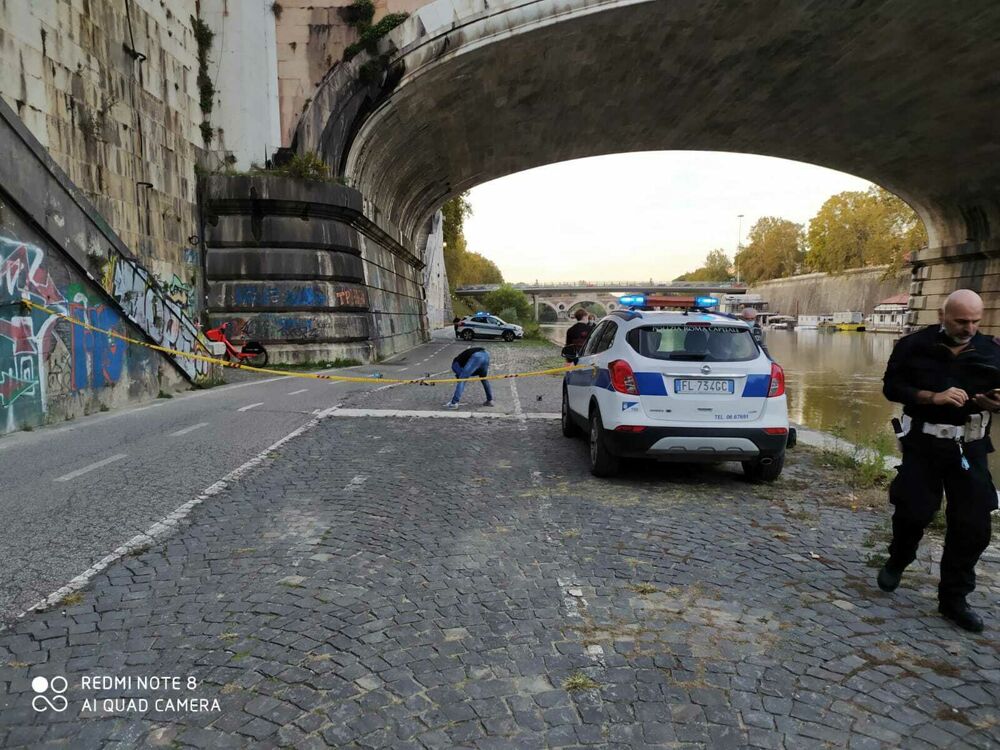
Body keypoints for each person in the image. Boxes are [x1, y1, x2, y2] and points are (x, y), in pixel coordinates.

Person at [878, 289, 1000, 632]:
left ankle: (954, 599)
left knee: (973, 527)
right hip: (925, 445)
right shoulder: (912, 346)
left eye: (976, 321)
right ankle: (900, 557)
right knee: (912, 510)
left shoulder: (993, 350)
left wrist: (994, 402)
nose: (969, 328)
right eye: (962, 321)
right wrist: (932, 396)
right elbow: (891, 388)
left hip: (971, 449)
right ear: (942, 315)